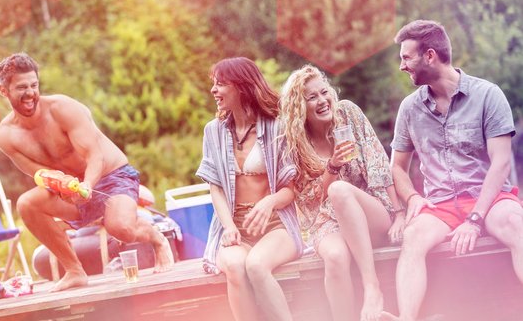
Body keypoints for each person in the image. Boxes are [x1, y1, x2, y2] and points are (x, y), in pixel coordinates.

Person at [0, 52, 174, 292]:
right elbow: (39, 174)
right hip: (72, 190)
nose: (30, 93)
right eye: (21, 87)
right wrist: (60, 185)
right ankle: (74, 271)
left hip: (111, 177)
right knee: (27, 204)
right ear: (3, 91)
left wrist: (87, 185)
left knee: (121, 228)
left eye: (34, 85)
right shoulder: (5, 136)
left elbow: (94, 155)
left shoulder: (63, 108)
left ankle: (156, 238)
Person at [381, 20, 523, 321]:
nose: (402, 66)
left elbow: (501, 163)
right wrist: (412, 199)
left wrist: (475, 219)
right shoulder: (409, 108)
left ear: (430, 56)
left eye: (407, 58)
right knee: (414, 237)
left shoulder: (488, 95)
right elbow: (397, 167)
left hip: (490, 198)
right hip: (440, 204)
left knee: (516, 224)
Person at [279, 64, 405, 321]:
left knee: (340, 190)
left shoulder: (348, 113)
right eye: (312, 97)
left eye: (324, 92)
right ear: (299, 108)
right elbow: (313, 202)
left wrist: (399, 213)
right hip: (328, 220)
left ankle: (372, 287)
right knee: (335, 257)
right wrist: (333, 166)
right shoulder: (296, 145)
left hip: (371, 212)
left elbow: (379, 164)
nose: (323, 100)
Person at [196, 57, 303, 321]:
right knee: (234, 265)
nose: (213, 90)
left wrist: (268, 203)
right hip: (235, 230)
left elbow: (291, 189)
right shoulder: (213, 131)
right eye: (214, 84)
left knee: (256, 265)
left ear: (241, 87)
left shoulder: (277, 126)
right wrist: (229, 226)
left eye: (220, 84)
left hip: (277, 227)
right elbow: (216, 188)